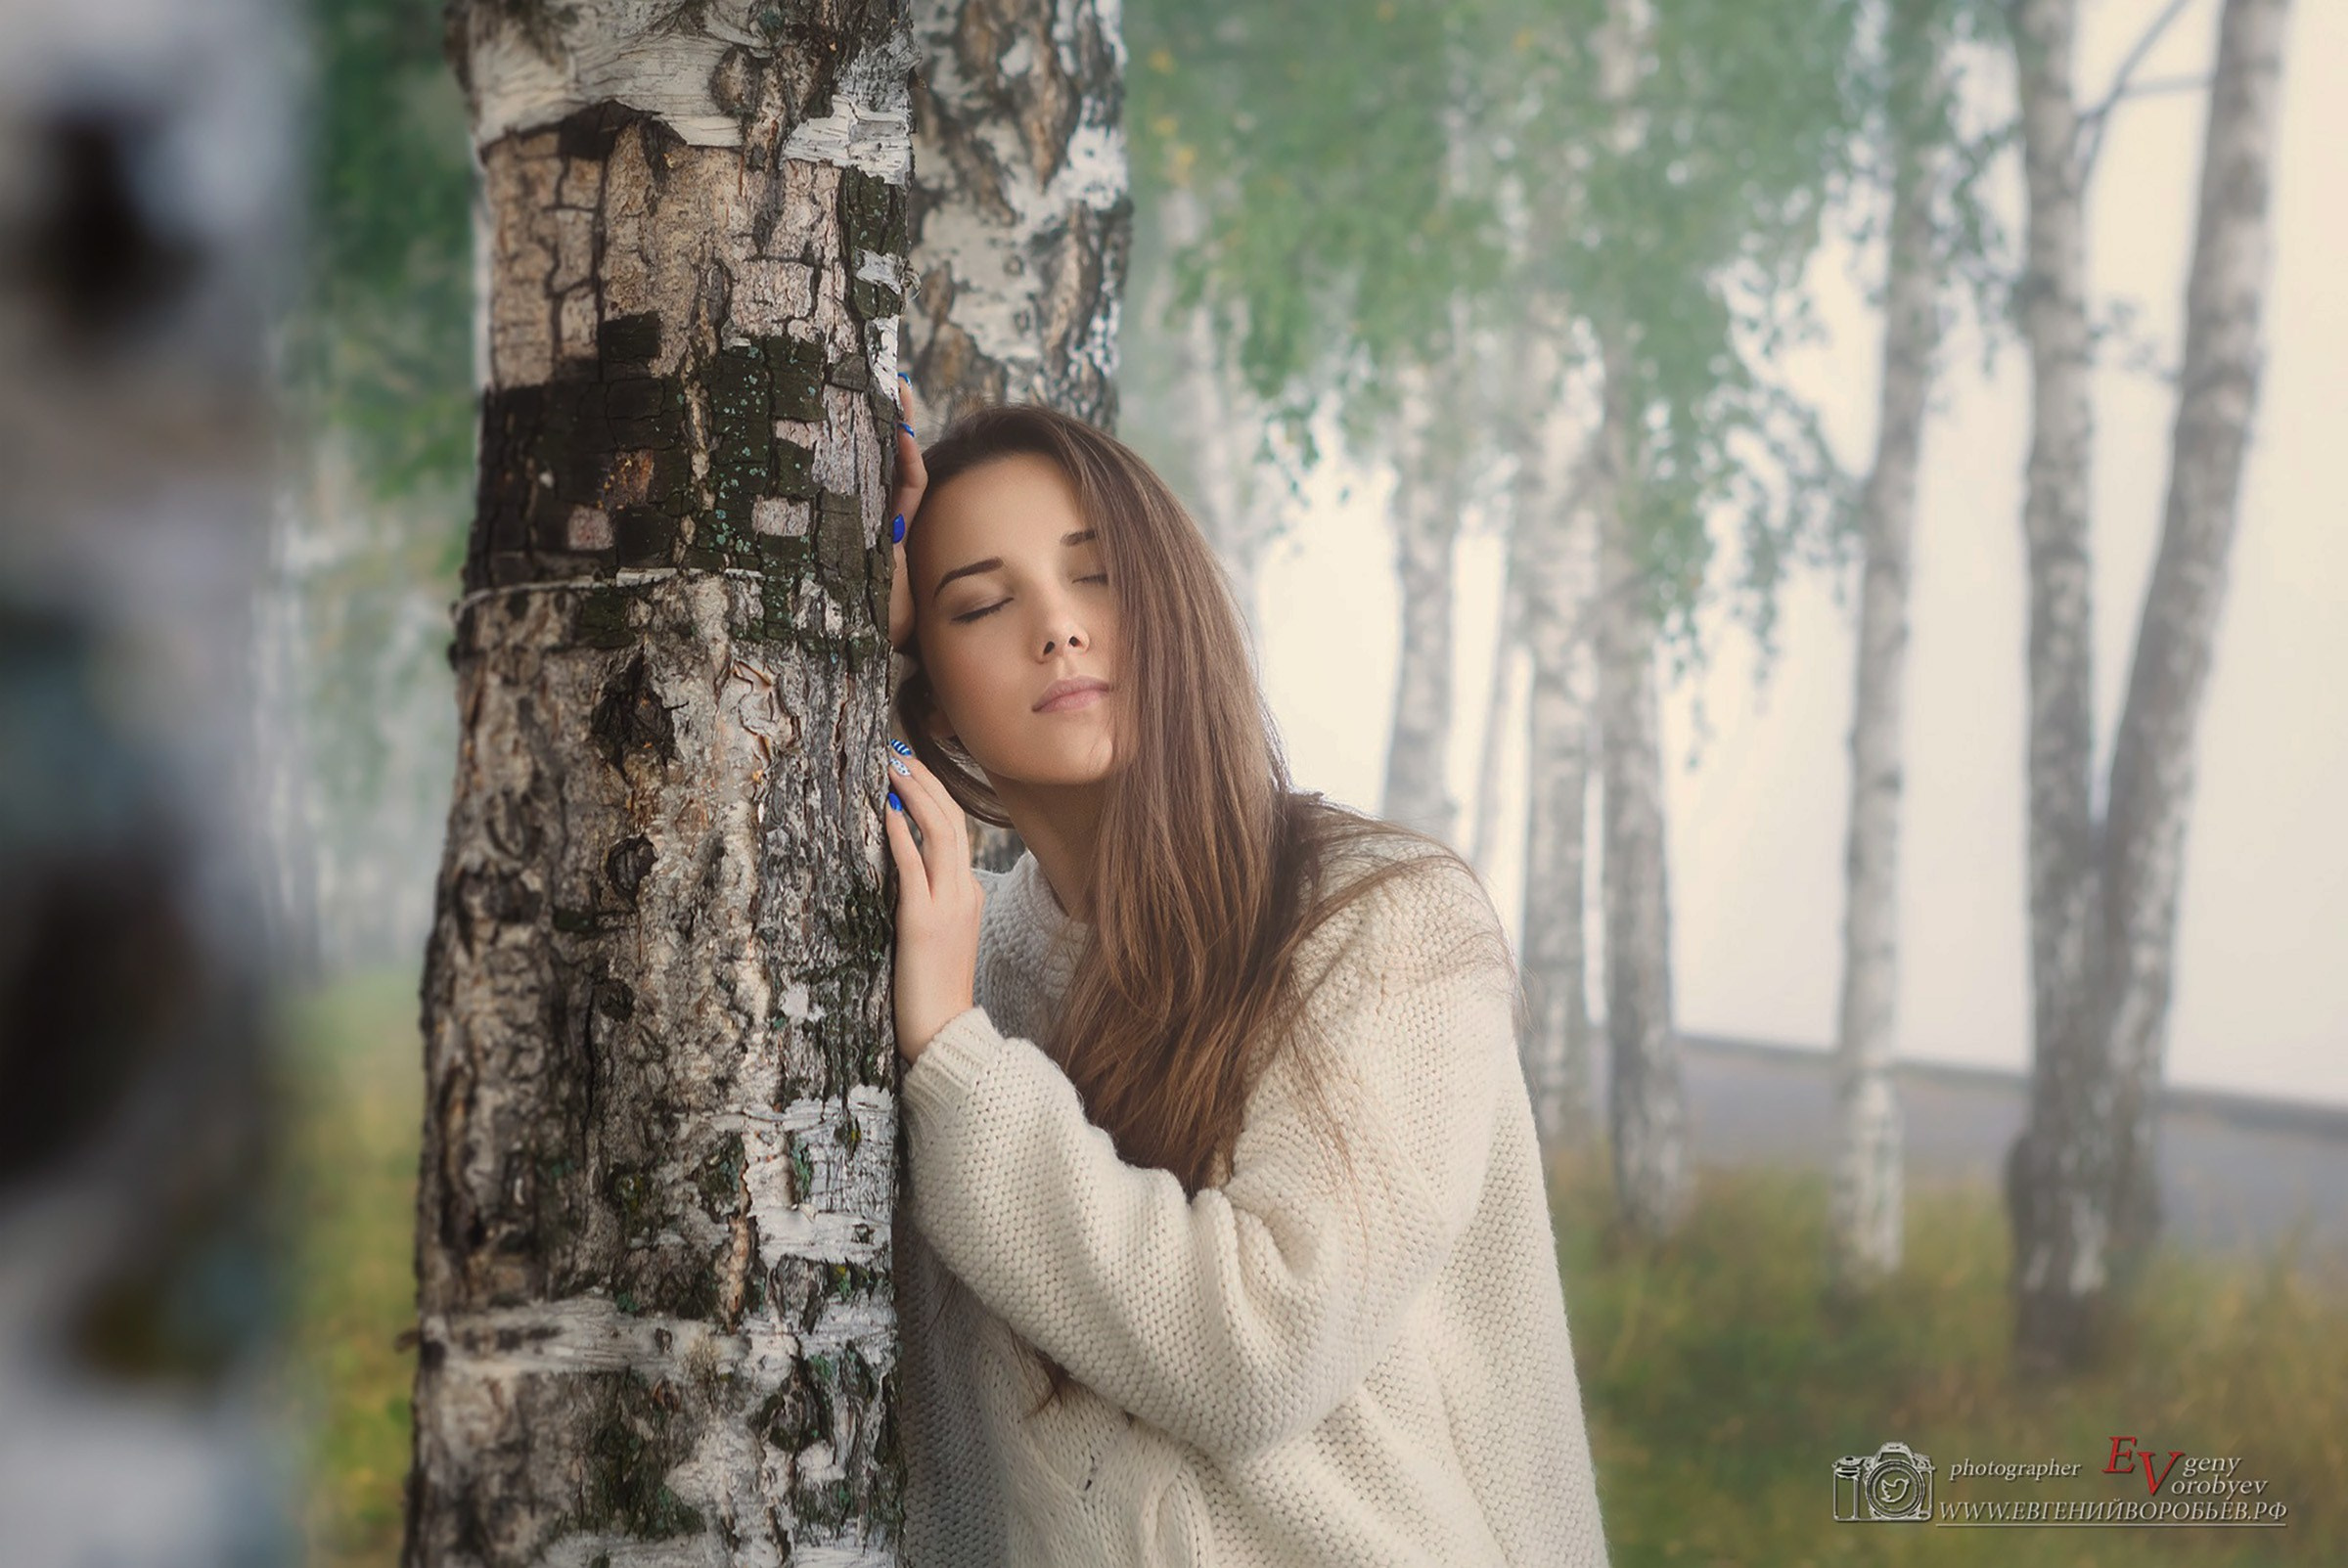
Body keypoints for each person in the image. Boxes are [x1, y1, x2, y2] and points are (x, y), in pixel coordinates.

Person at [872, 384, 1610, 1567]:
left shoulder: (1385, 921)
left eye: (1096, 573)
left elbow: (1263, 1350)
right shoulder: (960, 966)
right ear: (934, 691)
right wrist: (839, 631)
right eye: (980, 605)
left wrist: (958, 1067)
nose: (1056, 628)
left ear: (1171, 600)